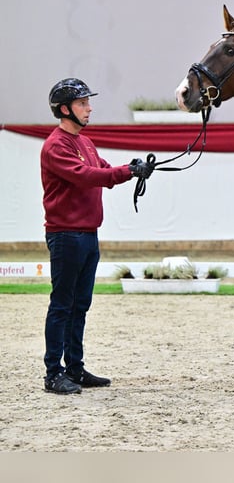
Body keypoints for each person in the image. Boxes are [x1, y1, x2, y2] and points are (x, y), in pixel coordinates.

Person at [41, 78, 155, 395]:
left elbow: (103, 168)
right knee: (62, 305)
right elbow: (87, 177)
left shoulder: (85, 143)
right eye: (82, 104)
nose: (89, 108)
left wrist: (134, 167)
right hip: (65, 235)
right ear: (64, 109)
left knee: (80, 305)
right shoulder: (56, 145)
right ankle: (53, 373)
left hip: (88, 235)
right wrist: (126, 173)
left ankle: (74, 368)